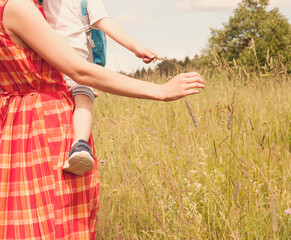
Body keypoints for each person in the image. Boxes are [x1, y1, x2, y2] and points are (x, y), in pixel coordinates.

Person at [0, 0, 205, 239]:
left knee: (21, 215)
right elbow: (81, 70)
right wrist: (159, 91)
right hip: (44, 126)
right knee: (55, 221)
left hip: (15, 125)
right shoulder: (18, 6)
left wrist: (53, 86)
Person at [41, 0, 158, 176]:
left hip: (78, 67)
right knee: (81, 98)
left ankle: (80, 144)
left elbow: (105, 22)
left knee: (84, 96)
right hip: (48, 68)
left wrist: (136, 47)